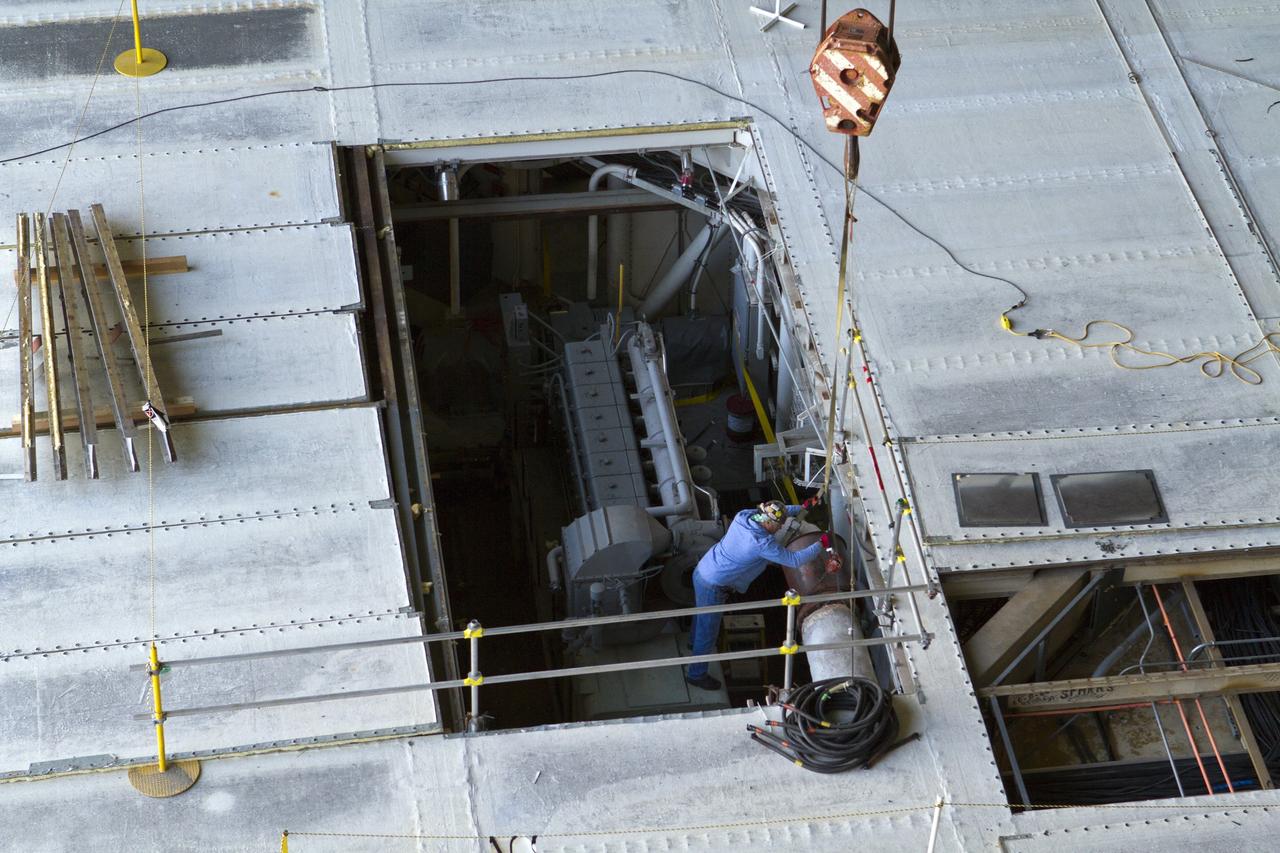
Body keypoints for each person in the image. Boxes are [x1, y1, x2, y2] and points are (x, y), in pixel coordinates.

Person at [685, 498, 835, 691]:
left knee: (702, 616)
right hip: (713, 584)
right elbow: (794, 560)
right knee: (708, 631)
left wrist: (802, 508)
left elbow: (779, 511)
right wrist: (820, 543)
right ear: (770, 523)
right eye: (779, 526)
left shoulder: (744, 516)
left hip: (704, 569)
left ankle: (692, 644)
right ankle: (696, 674)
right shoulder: (761, 543)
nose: (779, 529)